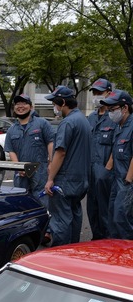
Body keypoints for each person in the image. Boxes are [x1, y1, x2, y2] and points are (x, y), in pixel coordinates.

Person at [44, 85, 91, 246]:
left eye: (55, 103)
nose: (54, 107)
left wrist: (50, 179)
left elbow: (60, 152)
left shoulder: (68, 122)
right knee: (75, 215)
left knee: (60, 220)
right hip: (80, 179)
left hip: (65, 180)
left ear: (62, 102)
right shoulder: (83, 120)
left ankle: (60, 254)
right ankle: (73, 249)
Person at [4, 94, 55, 199]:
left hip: (41, 172)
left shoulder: (42, 123)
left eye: (24, 103)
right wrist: (18, 167)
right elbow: (11, 150)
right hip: (21, 174)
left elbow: (51, 143)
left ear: (31, 107)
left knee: (43, 202)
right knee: (23, 203)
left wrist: (51, 163)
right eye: (17, 104)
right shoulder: (11, 130)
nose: (20, 106)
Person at [86, 78, 116, 240]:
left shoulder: (114, 117)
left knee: (106, 211)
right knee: (92, 209)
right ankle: (96, 239)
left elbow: (116, 145)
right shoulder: (91, 117)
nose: (96, 96)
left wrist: (107, 170)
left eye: (100, 93)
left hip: (106, 174)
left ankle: (107, 242)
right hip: (91, 173)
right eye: (95, 93)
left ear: (109, 93)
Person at [103, 90, 133, 239]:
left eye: (113, 109)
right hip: (117, 180)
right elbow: (115, 153)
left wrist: (128, 179)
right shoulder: (119, 127)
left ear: (125, 108)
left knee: (123, 220)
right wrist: (106, 171)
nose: (110, 113)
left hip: (127, 183)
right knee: (113, 218)